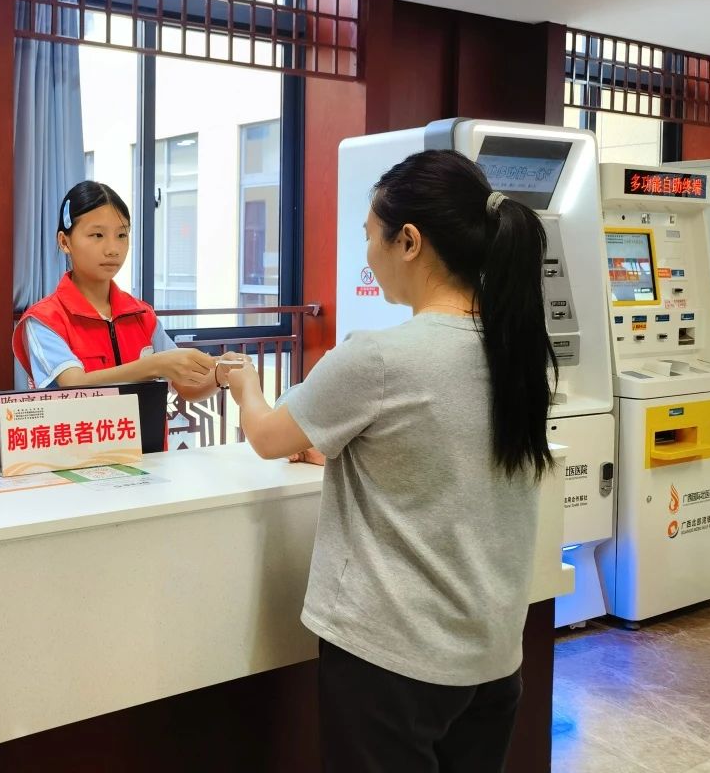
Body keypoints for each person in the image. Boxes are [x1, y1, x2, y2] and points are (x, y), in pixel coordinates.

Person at [219, 150, 556, 773]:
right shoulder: (517, 351)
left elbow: (267, 437)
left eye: (371, 236)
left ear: (410, 242)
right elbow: (446, 451)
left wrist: (243, 384)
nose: (367, 254)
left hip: (391, 660)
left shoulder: (378, 357)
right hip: (492, 657)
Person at [12, 180, 221, 400]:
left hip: (148, 425)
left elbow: (187, 388)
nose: (113, 249)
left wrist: (220, 375)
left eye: (122, 235)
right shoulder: (44, 320)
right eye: (97, 235)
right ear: (65, 242)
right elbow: (73, 386)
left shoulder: (142, 315)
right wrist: (156, 365)